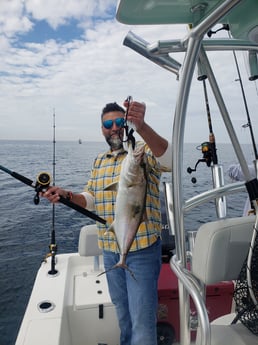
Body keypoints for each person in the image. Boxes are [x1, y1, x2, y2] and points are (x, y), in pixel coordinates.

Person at [42, 100, 172, 345]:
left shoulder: (142, 152)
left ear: (127, 124)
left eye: (119, 122)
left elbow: (170, 160)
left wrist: (142, 126)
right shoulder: (99, 161)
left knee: (142, 325)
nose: (114, 128)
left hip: (142, 252)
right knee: (123, 316)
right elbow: (91, 199)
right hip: (111, 252)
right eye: (107, 124)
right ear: (102, 129)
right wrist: (67, 196)